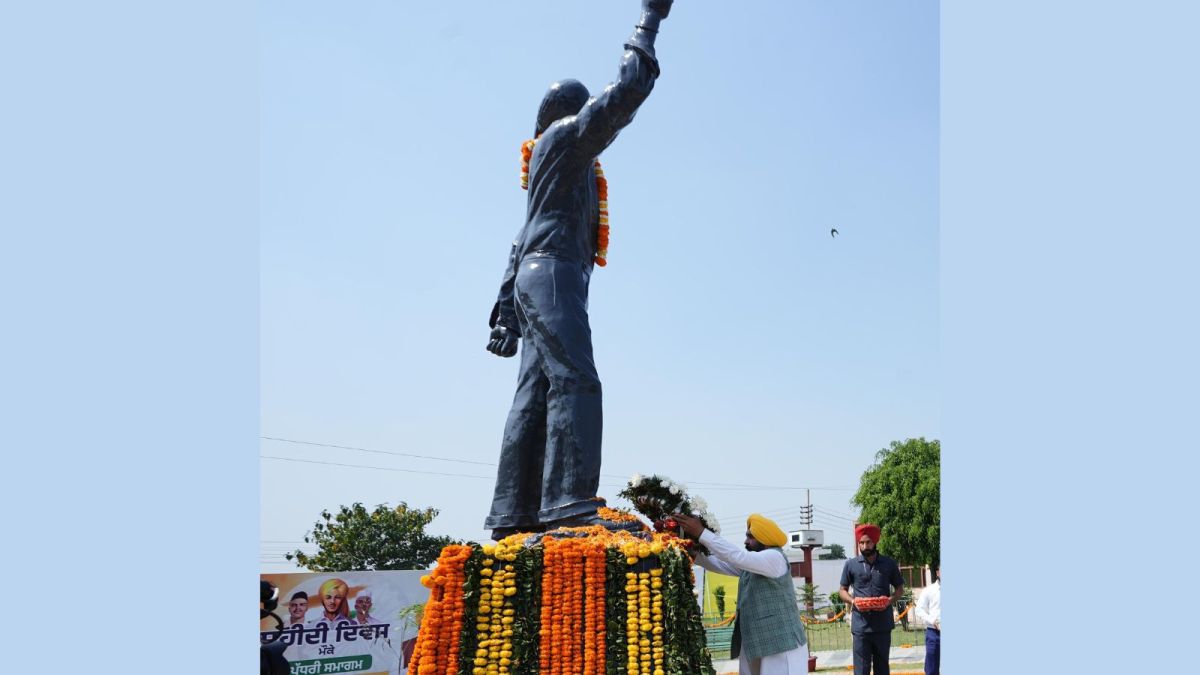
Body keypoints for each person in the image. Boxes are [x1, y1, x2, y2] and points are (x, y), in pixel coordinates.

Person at [483, 0, 675, 541]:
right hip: (552, 276)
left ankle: (514, 514)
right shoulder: (564, 142)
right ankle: (568, 503)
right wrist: (649, 20)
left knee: (536, 393)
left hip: (538, 276)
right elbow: (628, 93)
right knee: (576, 381)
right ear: (569, 113)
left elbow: (519, 239)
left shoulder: (559, 167)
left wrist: (505, 314)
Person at [675, 512, 809, 674]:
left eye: (750, 537)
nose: (746, 541)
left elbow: (736, 556)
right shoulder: (754, 563)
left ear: (765, 539)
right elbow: (719, 564)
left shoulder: (775, 557)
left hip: (781, 645)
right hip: (756, 643)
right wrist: (692, 552)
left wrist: (702, 533)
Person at [839, 524, 905, 675]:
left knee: (882, 668)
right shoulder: (851, 564)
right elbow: (842, 590)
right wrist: (853, 601)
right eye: (861, 543)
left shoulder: (889, 564)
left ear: (875, 542)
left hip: (882, 625)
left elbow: (900, 589)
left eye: (868, 542)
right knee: (861, 669)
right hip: (860, 626)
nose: (865, 546)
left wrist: (890, 600)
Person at [914, 565, 940, 675]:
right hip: (934, 634)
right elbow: (919, 609)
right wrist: (932, 621)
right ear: (938, 572)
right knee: (931, 669)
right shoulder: (929, 590)